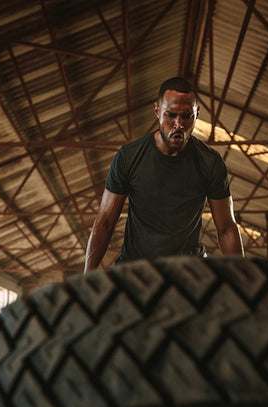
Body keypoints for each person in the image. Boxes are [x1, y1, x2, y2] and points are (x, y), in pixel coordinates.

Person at [84, 77, 244, 272]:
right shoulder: (129, 157)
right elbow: (106, 221)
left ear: (197, 115)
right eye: (171, 115)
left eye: (186, 116)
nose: (178, 124)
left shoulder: (210, 162)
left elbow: (227, 228)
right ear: (157, 111)